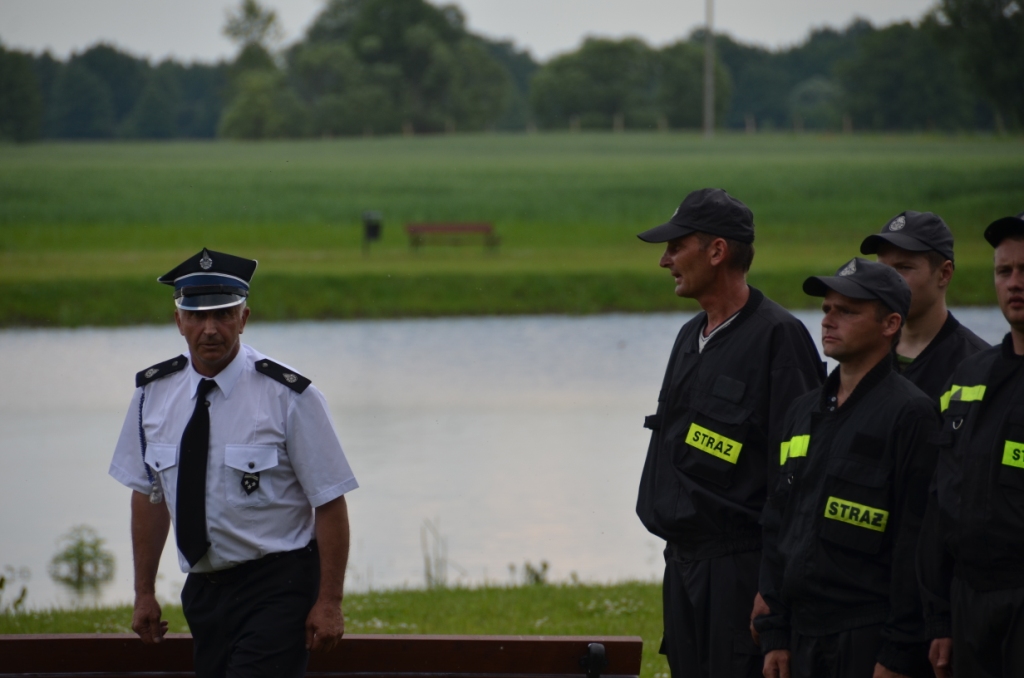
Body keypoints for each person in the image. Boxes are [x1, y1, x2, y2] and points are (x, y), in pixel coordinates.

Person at [108, 248, 358, 678]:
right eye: (197, 316)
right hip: (203, 592)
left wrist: (330, 602)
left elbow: (330, 501)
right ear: (178, 321)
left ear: (243, 318)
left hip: (278, 585)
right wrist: (143, 592)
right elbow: (149, 496)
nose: (210, 329)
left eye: (223, 315)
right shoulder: (152, 394)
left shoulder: (288, 396)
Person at [635, 188, 825, 678]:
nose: (664, 260)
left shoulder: (779, 338)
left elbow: (801, 476)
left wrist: (774, 586)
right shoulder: (689, 336)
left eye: (676, 247)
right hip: (683, 571)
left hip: (741, 574)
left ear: (717, 251)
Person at [755, 258, 940, 678]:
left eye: (847, 311)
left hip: (866, 637)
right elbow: (777, 521)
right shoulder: (802, 411)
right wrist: (775, 632)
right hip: (800, 638)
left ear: (890, 324)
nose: (828, 320)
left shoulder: (911, 415)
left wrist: (899, 653)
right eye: (826, 309)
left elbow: (917, 545)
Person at [918, 210, 1024, 678]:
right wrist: (940, 619)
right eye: (1004, 271)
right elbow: (939, 501)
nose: (1015, 283)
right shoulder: (970, 376)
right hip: (967, 607)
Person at [860, 210, 989, 399]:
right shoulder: (862, 356)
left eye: (904, 268)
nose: (887, 282)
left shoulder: (980, 364)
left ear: (944, 274)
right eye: (882, 269)